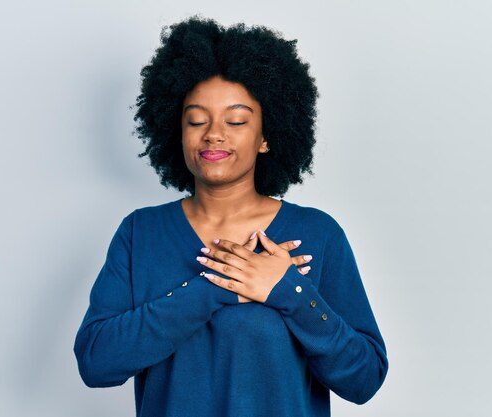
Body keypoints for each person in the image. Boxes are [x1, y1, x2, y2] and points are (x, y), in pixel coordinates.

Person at [74, 16, 388, 417]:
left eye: (236, 120)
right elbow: (96, 362)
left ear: (266, 136)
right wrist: (219, 289)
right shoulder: (141, 233)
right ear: (178, 131)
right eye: (196, 120)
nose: (214, 134)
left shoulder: (318, 233)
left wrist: (287, 289)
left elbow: (364, 379)